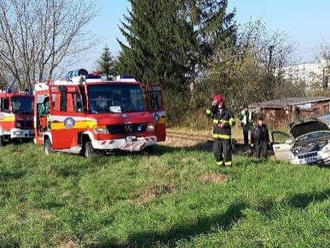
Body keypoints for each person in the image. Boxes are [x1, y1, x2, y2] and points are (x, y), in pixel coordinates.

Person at [206, 94, 235, 167]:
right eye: (218, 102)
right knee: (216, 152)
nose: (219, 104)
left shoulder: (228, 112)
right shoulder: (215, 112)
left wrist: (225, 124)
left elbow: (233, 122)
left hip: (225, 137)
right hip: (217, 137)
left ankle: (229, 167)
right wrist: (212, 105)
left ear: (223, 102)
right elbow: (208, 113)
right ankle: (221, 166)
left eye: (221, 102)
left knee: (227, 152)